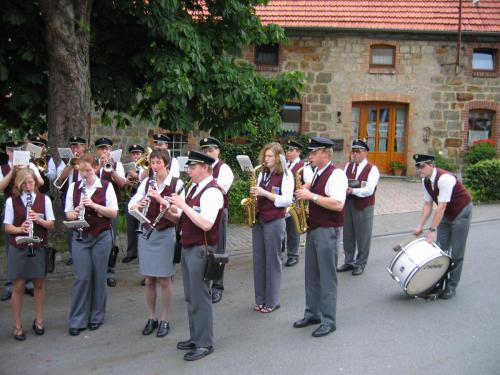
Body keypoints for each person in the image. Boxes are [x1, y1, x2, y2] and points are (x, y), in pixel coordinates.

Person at [167, 150, 223, 361]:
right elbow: (186, 218)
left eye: (192, 167)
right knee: (191, 297)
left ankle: (205, 343)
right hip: (189, 246)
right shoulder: (194, 188)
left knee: (201, 298)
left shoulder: (212, 191)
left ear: (205, 168)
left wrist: (183, 206)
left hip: (202, 248)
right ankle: (195, 336)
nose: (188, 170)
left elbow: (206, 224)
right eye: (188, 166)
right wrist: (170, 209)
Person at [293, 137, 347, 337]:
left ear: (325, 153)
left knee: (327, 276)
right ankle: (312, 313)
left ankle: (329, 320)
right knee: (312, 274)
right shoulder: (316, 172)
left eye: (314, 152)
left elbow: (338, 204)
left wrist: (311, 197)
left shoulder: (337, 175)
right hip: (314, 228)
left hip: (328, 230)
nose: (310, 156)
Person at [129, 150, 184, 337]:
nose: (154, 166)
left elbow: (180, 214)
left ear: (166, 164)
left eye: (158, 162)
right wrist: (139, 205)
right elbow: (131, 205)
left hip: (165, 233)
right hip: (147, 233)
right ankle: (151, 317)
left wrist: (161, 200)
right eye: (152, 162)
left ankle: (165, 319)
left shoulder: (177, 183)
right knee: (149, 279)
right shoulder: (146, 183)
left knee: (164, 279)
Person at [65, 154, 118, 336]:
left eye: (88, 170)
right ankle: (77, 319)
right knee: (82, 277)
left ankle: (96, 316)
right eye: (81, 171)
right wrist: (77, 211)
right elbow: (68, 214)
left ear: (95, 168)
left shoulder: (106, 186)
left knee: (99, 275)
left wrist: (94, 206)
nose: (84, 174)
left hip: (101, 236)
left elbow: (112, 213)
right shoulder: (74, 187)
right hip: (80, 236)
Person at [3, 168, 55, 340]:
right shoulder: (12, 201)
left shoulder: (44, 199)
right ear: (19, 184)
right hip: (19, 247)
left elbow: (51, 225)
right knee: (17, 287)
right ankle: (17, 325)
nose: (27, 186)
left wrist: (38, 219)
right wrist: (21, 228)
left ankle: (39, 320)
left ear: (35, 183)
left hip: (38, 246)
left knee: (39, 285)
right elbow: (7, 227)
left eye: (30, 182)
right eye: (24, 183)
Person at [412, 153, 473, 299]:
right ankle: (438, 284)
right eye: (417, 167)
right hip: (446, 213)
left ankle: (451, 286)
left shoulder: (445, 179)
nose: (420, 169)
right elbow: (428, 205)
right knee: (441, 251)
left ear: (431, 165)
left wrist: (432, 230)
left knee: (456, 252)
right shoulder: (425, 181)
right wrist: (420, 226)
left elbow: (441, 207)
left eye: (422, 166)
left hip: (461, 211)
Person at [251, 142, 294, 313]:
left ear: (278, 158)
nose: (266, 159)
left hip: (275, 220)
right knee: (259, 260)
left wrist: (265, 193)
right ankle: (260, 299)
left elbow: (287, 200)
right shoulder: (263, 174)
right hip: (260, 219)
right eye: (265, 156)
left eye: (270, 156)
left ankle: (273, 301)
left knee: (273, 261)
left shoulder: (287, 175)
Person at [1, 140, 44, 301]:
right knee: (12, 247)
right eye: (12, 150)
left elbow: (40, 183)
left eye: (18, 150)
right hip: (11, 209)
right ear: (7, 151)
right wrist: (12, 172)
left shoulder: (30, 166)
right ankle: (10, 285)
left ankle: (29, 283)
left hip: (30, 207)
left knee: (31, 243)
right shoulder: (3, 168)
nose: (15, 153)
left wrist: (30, 169)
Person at [337, 139, 380, 276]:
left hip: (364, 206)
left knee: (363, 236)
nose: (355, 154)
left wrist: (353, 191)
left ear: (365, 152)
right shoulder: (348, 166)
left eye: (358, 151)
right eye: (353, 151)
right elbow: (343, 182)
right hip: (348, 204)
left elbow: (369, 190)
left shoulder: (372, 169)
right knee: (348, 234)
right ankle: (349, 261)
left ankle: (360, 263)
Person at [199, 137, 234, 303]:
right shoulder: (200, 167)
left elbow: (219, 188)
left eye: (210, 149)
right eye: (204, 150)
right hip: (201, 212)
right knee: (204, 248)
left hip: (219, 212)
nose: (207, 152)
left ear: (218, 151)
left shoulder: (224, 168)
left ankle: (218, 286)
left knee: (218, 249)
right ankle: (203, 283)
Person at [94, 137, 126, 287]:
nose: (104, 151)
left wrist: (111, 170)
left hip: (111, 208)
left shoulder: (117, 164)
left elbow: (122, 184)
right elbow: (86, 179)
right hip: (93, 208)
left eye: (107, 149)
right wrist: (99, 166)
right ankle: (96, 272)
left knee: (111, 241)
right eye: (101, 149)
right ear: (97, 151)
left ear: (111, 150)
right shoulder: (93, 164)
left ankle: (110, 272)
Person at [55, 136, 88, 266]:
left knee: (86, 224)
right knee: (71, 226)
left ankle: (85, 251)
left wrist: (79, 166)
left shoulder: (88, 161)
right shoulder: (65, 162)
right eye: (73, 146)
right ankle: (73, 254)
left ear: (83, 147)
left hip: (85, 195)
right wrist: (70, 165)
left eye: (78, 146)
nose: (75, 149)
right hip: (70, 197)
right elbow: (59, 180)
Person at [282, 139, 313, 267]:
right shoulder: (284, 165)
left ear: (298, 152)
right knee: (281, 227)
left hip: (295, 202)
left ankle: (293, 255)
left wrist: (299, 191)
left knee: (292, 229)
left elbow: (310, 182)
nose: (287, 152)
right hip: (283, 200)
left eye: (291, 150)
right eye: (287, 150)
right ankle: (280, 251)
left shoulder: (304, 166)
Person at [122, 144, 146, 264]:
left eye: (138, 153)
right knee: (131, 228)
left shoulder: (145, 168)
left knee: (142, 228)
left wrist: (137, 177)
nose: (136, 156)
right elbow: (125, 186)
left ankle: (143, 254)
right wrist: (127, 181)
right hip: (130, 199)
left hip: (142, 202)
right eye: (133, 154)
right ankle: (131, 252)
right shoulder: (128, 168)